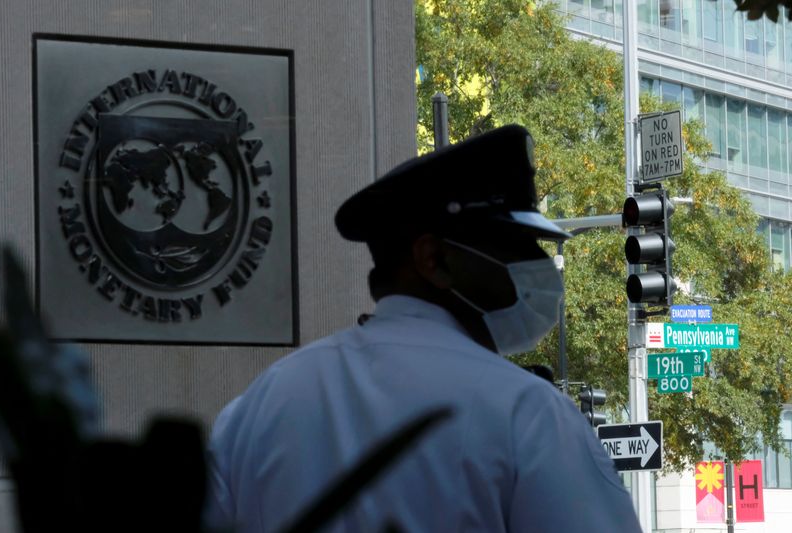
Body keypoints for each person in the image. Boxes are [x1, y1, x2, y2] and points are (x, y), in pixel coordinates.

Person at [205, 125, 642, 532]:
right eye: (513, 249)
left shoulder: (259, 408)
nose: (536, 269)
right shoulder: (528, 415)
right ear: (433, 260)